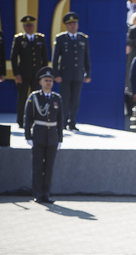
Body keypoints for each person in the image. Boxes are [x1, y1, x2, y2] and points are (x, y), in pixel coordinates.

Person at [23, 67, 63, 204]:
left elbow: (60, 120)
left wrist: (60, 139)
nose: (49, 83)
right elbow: (27, 118)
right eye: (46, 81)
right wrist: (28, 136)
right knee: (38, 166)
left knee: (49, 167)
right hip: (39, 135)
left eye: (50, 81)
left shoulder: (57, 98)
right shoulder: (34, 97)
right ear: (40, 82)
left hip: (52, 137)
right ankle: (38, 194)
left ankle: (46, 194)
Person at [50, 12, 91, 131]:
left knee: (75, 100)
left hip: (78, 74)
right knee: (65, 99)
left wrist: (88, 73)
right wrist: (56, 74)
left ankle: (72, 122)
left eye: (74, 24)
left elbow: (86, 57)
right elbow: (55, 58)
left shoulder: (83, 38)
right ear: (66, 26)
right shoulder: (61, 38)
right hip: (65, 74)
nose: (72, 26)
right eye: (69, 24)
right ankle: (62, 122)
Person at [10, 16, 48, 128]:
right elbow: (14, 58)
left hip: (36, 75)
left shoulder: (40, 39)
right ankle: (21, 120)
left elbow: (44, 57)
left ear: (34, 26)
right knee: (22, 98)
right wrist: (16, 74)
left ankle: (35, 120)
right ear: (23, 27)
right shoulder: (19, 39)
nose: (29, 27)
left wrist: (43, 74)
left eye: (31, 25)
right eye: (26, 25)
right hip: (23, 74)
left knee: (36, 98)